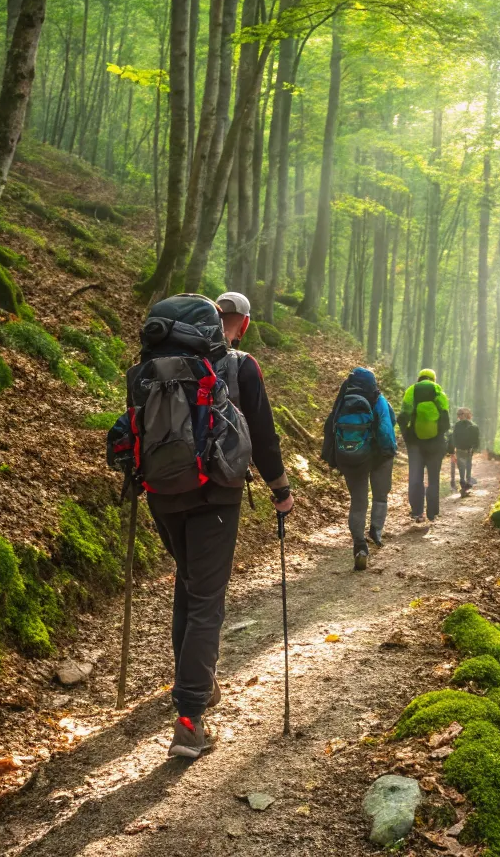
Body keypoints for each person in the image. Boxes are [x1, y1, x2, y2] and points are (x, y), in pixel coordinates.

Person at [107, 293, 292, 760]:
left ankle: (200, 687)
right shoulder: (241, 367)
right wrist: (280, 489)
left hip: (161, 493)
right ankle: (189, 720)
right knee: (207, 599)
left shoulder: (143, 374)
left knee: (189, 586)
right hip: (216, 493)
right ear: (239, 326)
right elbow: (264, 437)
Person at [321, 367, 397, 570]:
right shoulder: (377, 399)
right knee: (380, 495)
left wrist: (333, 457)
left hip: (351, 456)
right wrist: (389, 451)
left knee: (358, 501)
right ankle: (376, 533)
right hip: (378, 456)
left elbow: (330, 426)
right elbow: (386, 428)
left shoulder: (343, 399)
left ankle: (360, 547)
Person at [398, 369, 450, 524]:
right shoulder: (439, 392)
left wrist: (407, 434)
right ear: (434, 379)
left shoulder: (411, 391)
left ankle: (417, 512)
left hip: (415, 443)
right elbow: (446, 421)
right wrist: (438, 434)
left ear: (418, 378)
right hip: (436, 443)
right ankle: (432, 513)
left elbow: (403, 417)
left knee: (415, 477)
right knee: (433, 479)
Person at [452, 407, 480, 496]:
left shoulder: (457, 425)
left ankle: (464, 486)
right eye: (458, 414)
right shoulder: (473, 426)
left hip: (460, 450)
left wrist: (453, 449)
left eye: (460, 414)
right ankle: (466, 486)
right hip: (468, 450)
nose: (459, 416)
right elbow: (476, 440)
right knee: (467, 468)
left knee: (462, 468)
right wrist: (475, 448)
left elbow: (453, 438)